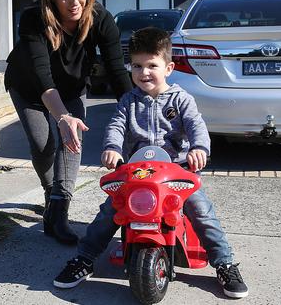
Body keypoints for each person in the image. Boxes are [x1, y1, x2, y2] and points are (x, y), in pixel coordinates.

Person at [53, 27, 249, 299]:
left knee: (201, 211)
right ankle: (84, 259)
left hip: (176, 174)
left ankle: (224, 263)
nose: (144, 72)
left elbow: (196, 126)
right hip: (137, 174)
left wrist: (199, 148)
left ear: (168, 68)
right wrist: (112, 148)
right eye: (137, 65)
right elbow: (116, 127)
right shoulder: (128, 102)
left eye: (152, 65)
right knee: (110, 211)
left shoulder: (181, 99)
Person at [4, 0, 132, 245]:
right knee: (43, 144)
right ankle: (51, 191)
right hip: (30, 86)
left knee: (72, 139)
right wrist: (61, 116)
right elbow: (42, 76)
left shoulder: (101, 19)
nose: (74, 1)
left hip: (72, 87)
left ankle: (58, 212)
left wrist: (135, 113)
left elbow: (117, 72)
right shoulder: (32, 18)